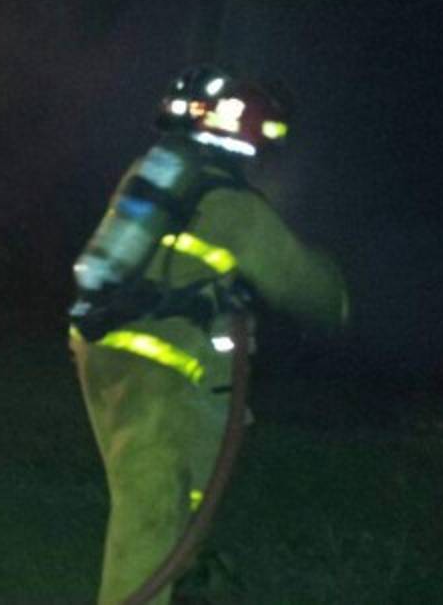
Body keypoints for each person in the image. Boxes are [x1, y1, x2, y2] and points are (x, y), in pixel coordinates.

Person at [68, 66, 348, 604]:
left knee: (174, 493)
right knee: (149, 511)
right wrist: (350, 298)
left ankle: (186, 577)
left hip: (101, 351)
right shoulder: (233, 206)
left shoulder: (155, 175)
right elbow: (302, 282)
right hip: (153, 364)